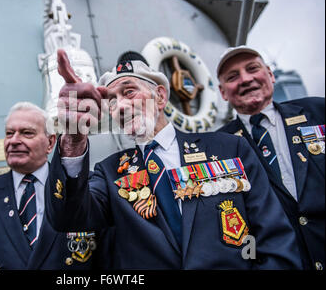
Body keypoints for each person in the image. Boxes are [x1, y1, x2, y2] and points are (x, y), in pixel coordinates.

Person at [44, 49, 302, 269]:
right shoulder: (110, 172)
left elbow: (274, 238)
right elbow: (68, 218)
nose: (119, 107)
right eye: (111, 101)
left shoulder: (230, 148)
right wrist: (73, 138)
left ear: (160, 96)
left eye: (129, 91)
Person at [216, 45, 325, 270]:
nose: (245, 79)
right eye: (233, 76)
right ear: (223, 92)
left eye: (252, 68)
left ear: (271, 75)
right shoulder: (217, 146)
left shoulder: (318, 111)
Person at [0, 102, 102, 270]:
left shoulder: (85, 189)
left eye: (27, 133)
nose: (14, 141)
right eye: (9, 133)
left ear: (50, 143)